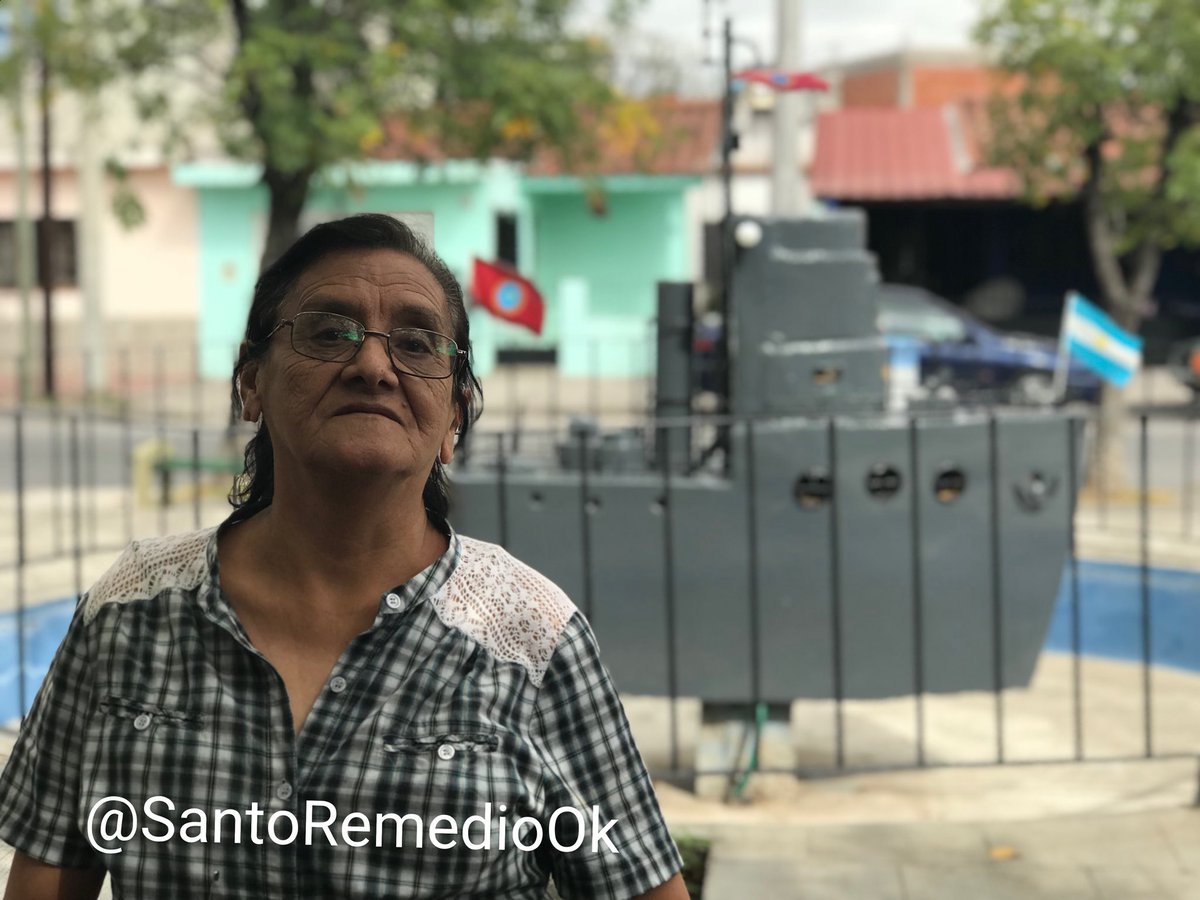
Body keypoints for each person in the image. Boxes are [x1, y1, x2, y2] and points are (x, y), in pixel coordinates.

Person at [0, 214, 688, 899]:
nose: (372, 365)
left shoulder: (531, 638)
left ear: (455, 416)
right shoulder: (131, 611)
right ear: (251, 385)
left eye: (417, 344)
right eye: (330, 332)